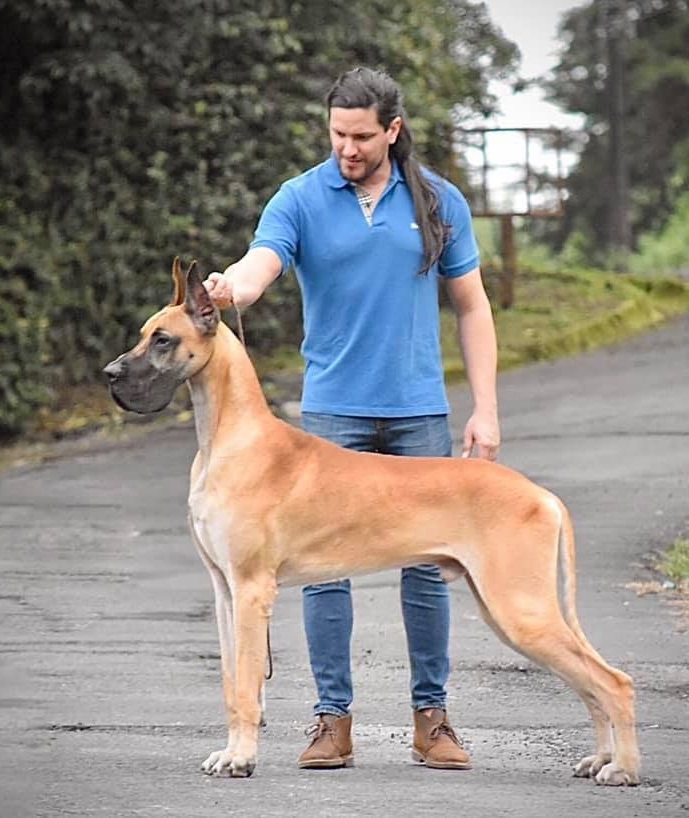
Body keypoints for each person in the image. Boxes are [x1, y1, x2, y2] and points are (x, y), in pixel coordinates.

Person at [203, 66, 500, 771]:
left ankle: (432, 720)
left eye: (362, 136)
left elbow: (472, 306)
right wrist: (229, 287)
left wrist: (485, 409)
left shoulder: (438, 201)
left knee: (427, 570)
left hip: (418, 410)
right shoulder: (301, 198)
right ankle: (331, 720)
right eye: (338, 133)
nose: (347, 148)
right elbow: (262, 263)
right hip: (331, 411)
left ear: (392, 130)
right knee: (322, 574)